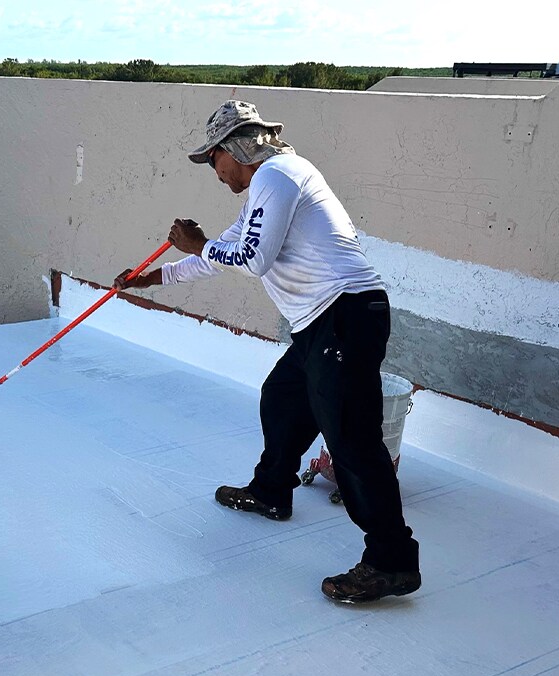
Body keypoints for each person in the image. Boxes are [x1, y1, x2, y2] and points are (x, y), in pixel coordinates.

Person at [116, 99, 420, 603]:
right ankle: (271, 491)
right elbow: (224, 253)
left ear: (234, 148)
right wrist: (151, 278)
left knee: (353, 442)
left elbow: (250, 260)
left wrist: (197, 245)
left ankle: (391, 561)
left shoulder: (278, 175)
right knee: (282, 399)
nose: (214, 171)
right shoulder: (266, 188)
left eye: (213, 159)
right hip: (322, 323)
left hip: (344, 316)